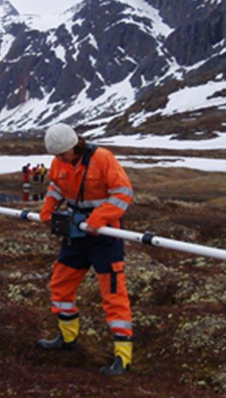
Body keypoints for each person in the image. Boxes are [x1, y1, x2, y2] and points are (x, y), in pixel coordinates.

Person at [37, 123, 135, 376]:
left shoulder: (103, 158)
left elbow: (123, 193)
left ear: (74, 146)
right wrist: (48, 208)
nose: (58, 160)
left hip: (105, 236)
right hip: (75, 235)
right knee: (61, 284)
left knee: (113, 293)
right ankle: (67, 338)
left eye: (62, 155)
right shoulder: (59, 162)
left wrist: (99, 219)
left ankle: (122, 357)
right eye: (56, 156)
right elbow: (56, 187)